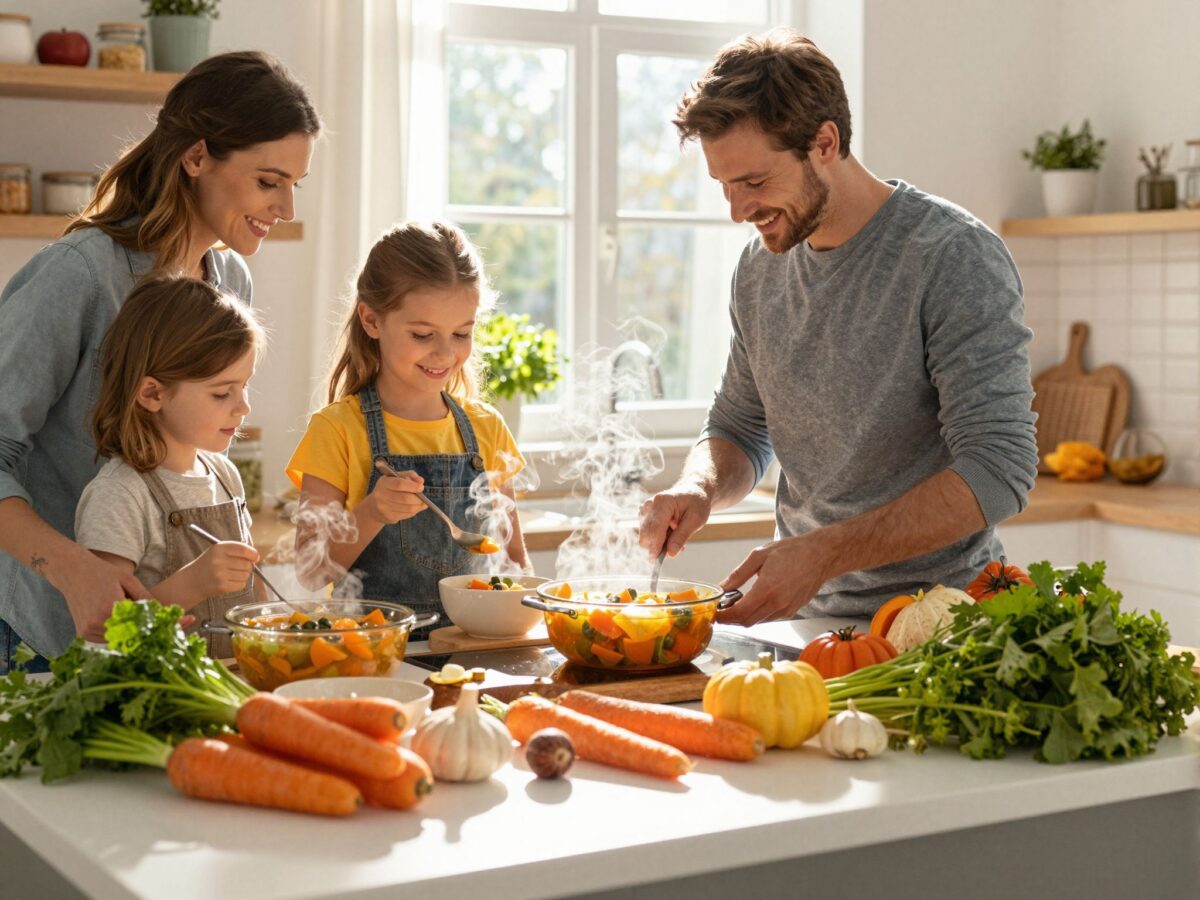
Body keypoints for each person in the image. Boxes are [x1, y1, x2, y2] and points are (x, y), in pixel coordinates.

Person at [639, 29, 1038, 626]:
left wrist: (823, 553)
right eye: (724, 186)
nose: (737, 211)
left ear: (824, 142)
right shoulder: (758, 268)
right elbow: (742, 426)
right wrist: (699, 487)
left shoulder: (952, 256)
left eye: (753, 182)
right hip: (807, 623)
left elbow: (999, 467)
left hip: (938, 622)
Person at [0, 51, 320, 672]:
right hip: (42, 638)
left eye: (292, 186)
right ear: (196, 157)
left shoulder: (230, 279)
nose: (285, 210)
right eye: (267, 181)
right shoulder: (80, 276)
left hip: (170, 644)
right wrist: (74, 569)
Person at [287, 221, 530, 639]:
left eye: (462, 333)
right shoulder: (337, 429)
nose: (445, 352)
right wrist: (373, 512)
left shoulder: (486, 427)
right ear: (371, 320)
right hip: (377, 655)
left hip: (476, 650)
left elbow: (515, 566)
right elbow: (311, 570)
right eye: (422, 334)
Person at [75, 275, 265, 657]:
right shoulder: (119, 494)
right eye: (222, 392)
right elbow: (107, 634)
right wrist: (192, 583)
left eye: (244, 386)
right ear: (153, 393)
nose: (243, 406)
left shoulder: (225, 475)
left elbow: (255, 598)